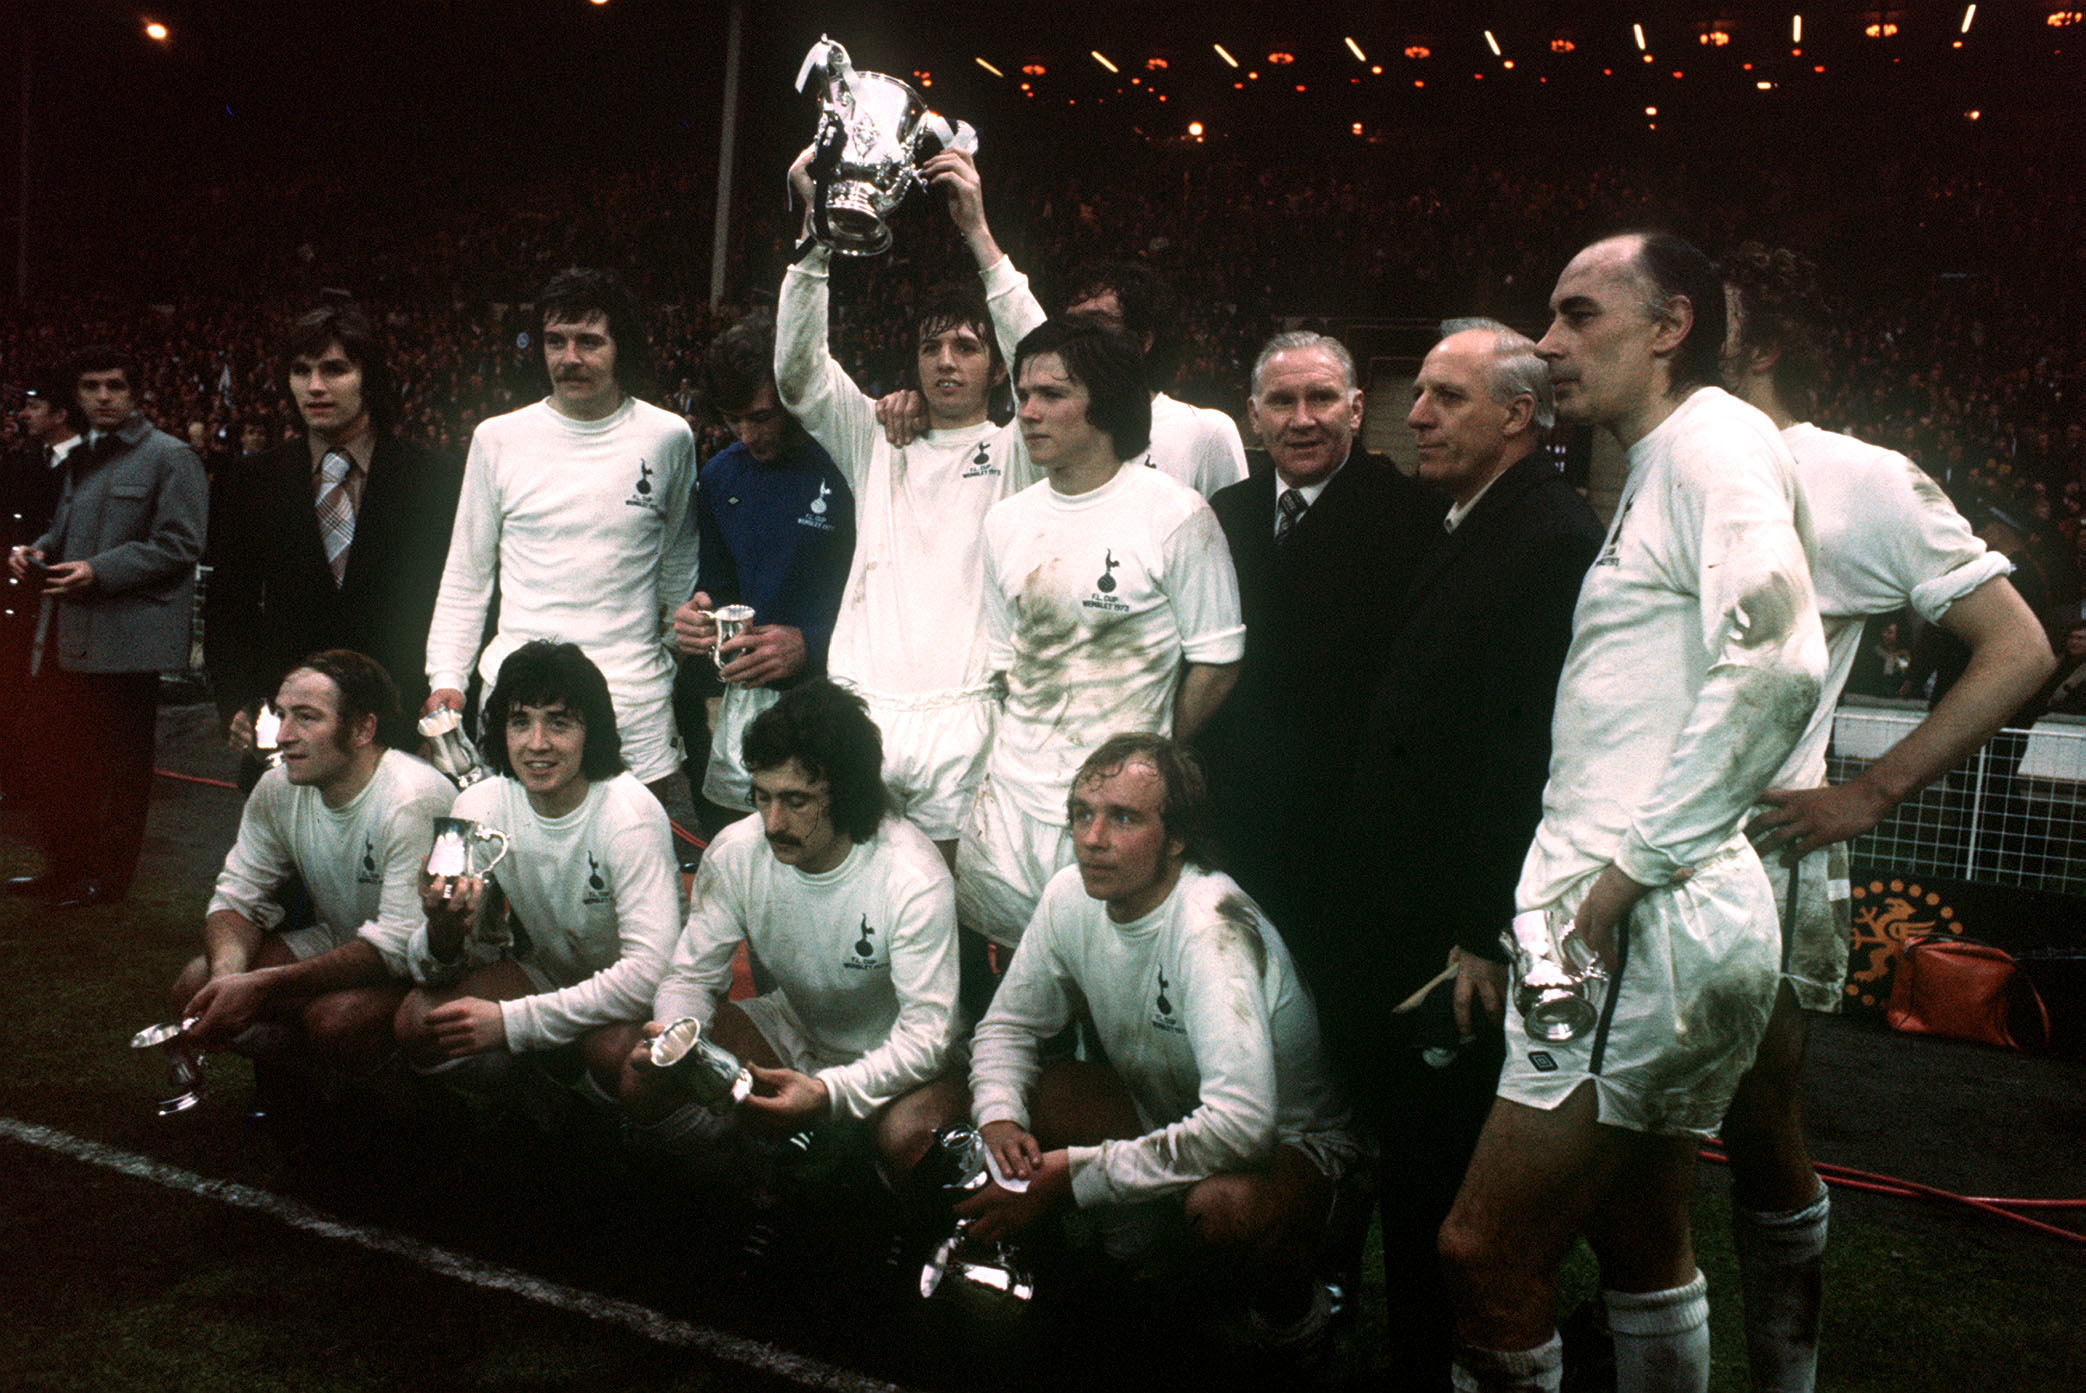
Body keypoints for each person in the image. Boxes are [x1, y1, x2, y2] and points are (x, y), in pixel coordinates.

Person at [1437, 232, 1826, 1393]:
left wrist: (1621, 877)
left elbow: (1779, 660)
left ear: (1671, 327)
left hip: (1639, 919)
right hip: (1647, 908)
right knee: (1641, 1237)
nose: (1547, 341)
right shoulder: (1661, 458)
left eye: (1579, 313)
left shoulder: (1714, 441)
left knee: (1482, 1250)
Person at [1719, 243, 2053, 1393]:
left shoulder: (1853, 476)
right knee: (1627, 1139)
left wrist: (1868, 792)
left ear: (1762, 343)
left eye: (1702, 312)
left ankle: (1781, 1367)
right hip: (1625, 857)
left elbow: (2017, 648)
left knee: (1757, 1126)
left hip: (1755, 863)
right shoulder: (1663, 463)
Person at [1316, 321, 1601, 1391]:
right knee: (1408, 1164)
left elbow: (1521, 755)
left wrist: (1483, 932)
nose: (1417, 414)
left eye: (1445, 396)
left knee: (1442, 1184)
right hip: (1408, 910)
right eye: (1419, 392)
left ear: (1519, 415)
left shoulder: (1548, 538)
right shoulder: (1481, 518)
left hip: (1455, 933)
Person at [962, 734, 1359, 1352]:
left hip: (1289, 1147)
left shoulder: (1211, 927)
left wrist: (1071, 1177)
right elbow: (1008, 1027)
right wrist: (997, 1117)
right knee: (1044, 1094)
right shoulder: (1069, 893)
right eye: (1082, 814)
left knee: (1224, 1207)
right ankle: (1143, 1275)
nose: (1093, 838)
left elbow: (1241, 1130)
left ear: (1177, 838)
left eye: (1124, 818)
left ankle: (1297, 1326)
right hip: (1170, 1112)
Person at [956, 316, 1244, 984]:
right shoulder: (1006, 521)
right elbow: (1005, 662)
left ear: (1107, 404)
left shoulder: (1176, 515)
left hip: (1113, 816)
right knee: (1023, 988)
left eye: (1052, 394)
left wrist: (1147, 756)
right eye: (1023, 394)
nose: (1028, 411)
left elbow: (1218, 661)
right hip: (1012, 802)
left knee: (1112, 990)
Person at [775, 146, 1039, 864]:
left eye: (966, 347)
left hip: (966, 713)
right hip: (862, 711)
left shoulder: (1019, 450)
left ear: (997, 370)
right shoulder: (874, 436)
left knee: (948, 904)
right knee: (852, 897)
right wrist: (815, 235)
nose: (946, 360)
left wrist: (979, 235)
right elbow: (799, 377)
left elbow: (1047, 363)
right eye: (931, 347)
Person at [622, 680, 965, 1177]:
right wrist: (678, 1043)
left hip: (903, 1062)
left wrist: (829, 1092)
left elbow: (928, 1039)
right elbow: (691, 978)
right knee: (644, 1080)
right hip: (795, 1031)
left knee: (908, 1142)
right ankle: (747, 1187)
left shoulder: (912, 875)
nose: (773, 823)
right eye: (762, 797)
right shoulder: (736, 851)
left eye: (797, 801)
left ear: (847, 795)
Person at [1197, 329, 1439, 964]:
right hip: (1239, 823)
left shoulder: (1416, 517)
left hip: (1351, 841)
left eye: (1321, 398)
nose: (1302, 420)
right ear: (1254, 416)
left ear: (1356, 409)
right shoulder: (1225, 513)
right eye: (1282, 402)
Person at [423, 268, 698, 804]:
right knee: (511, 852)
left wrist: (661, 661)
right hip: (519, 703)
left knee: (636, 851)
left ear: (621, 348)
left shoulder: (668, 437)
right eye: (555, 341)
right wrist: (446, 677)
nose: (569, 358)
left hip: (633, 704)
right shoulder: (497, 439)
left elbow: (679, 566)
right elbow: (466, 574)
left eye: (589, 341)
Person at [396, 641, 681, 1102]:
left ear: (592, 731)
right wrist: (442, 933)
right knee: (420, 1021)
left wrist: (512, 1023)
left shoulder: (631, 813)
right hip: (551, 976)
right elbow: (432, 965)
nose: (537, 743)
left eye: (559, 722)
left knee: (614, 1053)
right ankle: (531, 1105)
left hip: (640, 1000)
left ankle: (604, 1129)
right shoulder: (475, 805)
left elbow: (650, 975)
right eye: (520, 721)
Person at [205, 306, 463, 773]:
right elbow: (228, 610)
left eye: (335, 369)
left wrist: (440, 722)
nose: (315, 386)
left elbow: (458, 603)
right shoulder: (253, 479)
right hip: (284, 733)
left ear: (370, 378)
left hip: (404, 731)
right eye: (301, 371)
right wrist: (239, 703)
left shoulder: (436, 478)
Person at [172, 650, 455, 1073]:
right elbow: (235, 897)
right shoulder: (277, 786)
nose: (283, 735)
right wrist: (228, 976)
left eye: (306, 717)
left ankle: (405, 1102)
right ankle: (303, 1084)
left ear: (362, 729)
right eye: (281, 714)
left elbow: (399, 949)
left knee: (336, 1020)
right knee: (197, 983)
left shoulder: (413, 798)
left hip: (432, 966)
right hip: (347, 938)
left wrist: (261, 985)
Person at [6, 346, 208, 908]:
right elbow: (66, 529)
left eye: (114, 386)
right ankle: (65, 870)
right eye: (91, 386)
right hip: (68, 637)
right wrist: (36, 549)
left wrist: (100, 571)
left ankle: (105, 880)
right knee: (62, 760)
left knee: (117, 770)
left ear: (135, 393)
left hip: (127, 642)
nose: (102, 397)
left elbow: (182, 543)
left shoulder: (171, 457)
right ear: (77, 395)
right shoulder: (86, 454)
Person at [671, 310, 854, 827]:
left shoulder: (850, 461)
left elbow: (894, 591)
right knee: (742, 843)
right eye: (733, 420)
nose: (747, 434)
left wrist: (811, 644)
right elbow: (719, 586)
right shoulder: (720, 475)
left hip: (842, 698)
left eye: (760, 417)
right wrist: (699, 615)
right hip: (750, 707)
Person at [1059, 260, 1249, 498]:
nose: (1078, 338)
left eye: (1097, 323)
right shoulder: (1049, 429)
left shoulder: (1207, 433)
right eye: (1071, 324)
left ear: (1143, 340)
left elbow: (1233, 522)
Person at [1, 376, 80, 805]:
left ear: (61, 414)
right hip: (16, 598)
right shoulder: (25, 462)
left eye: (35, 407)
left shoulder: (89, 464)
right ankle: (14, 780)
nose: (24, 415)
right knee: (12, 688)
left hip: (62, 598)